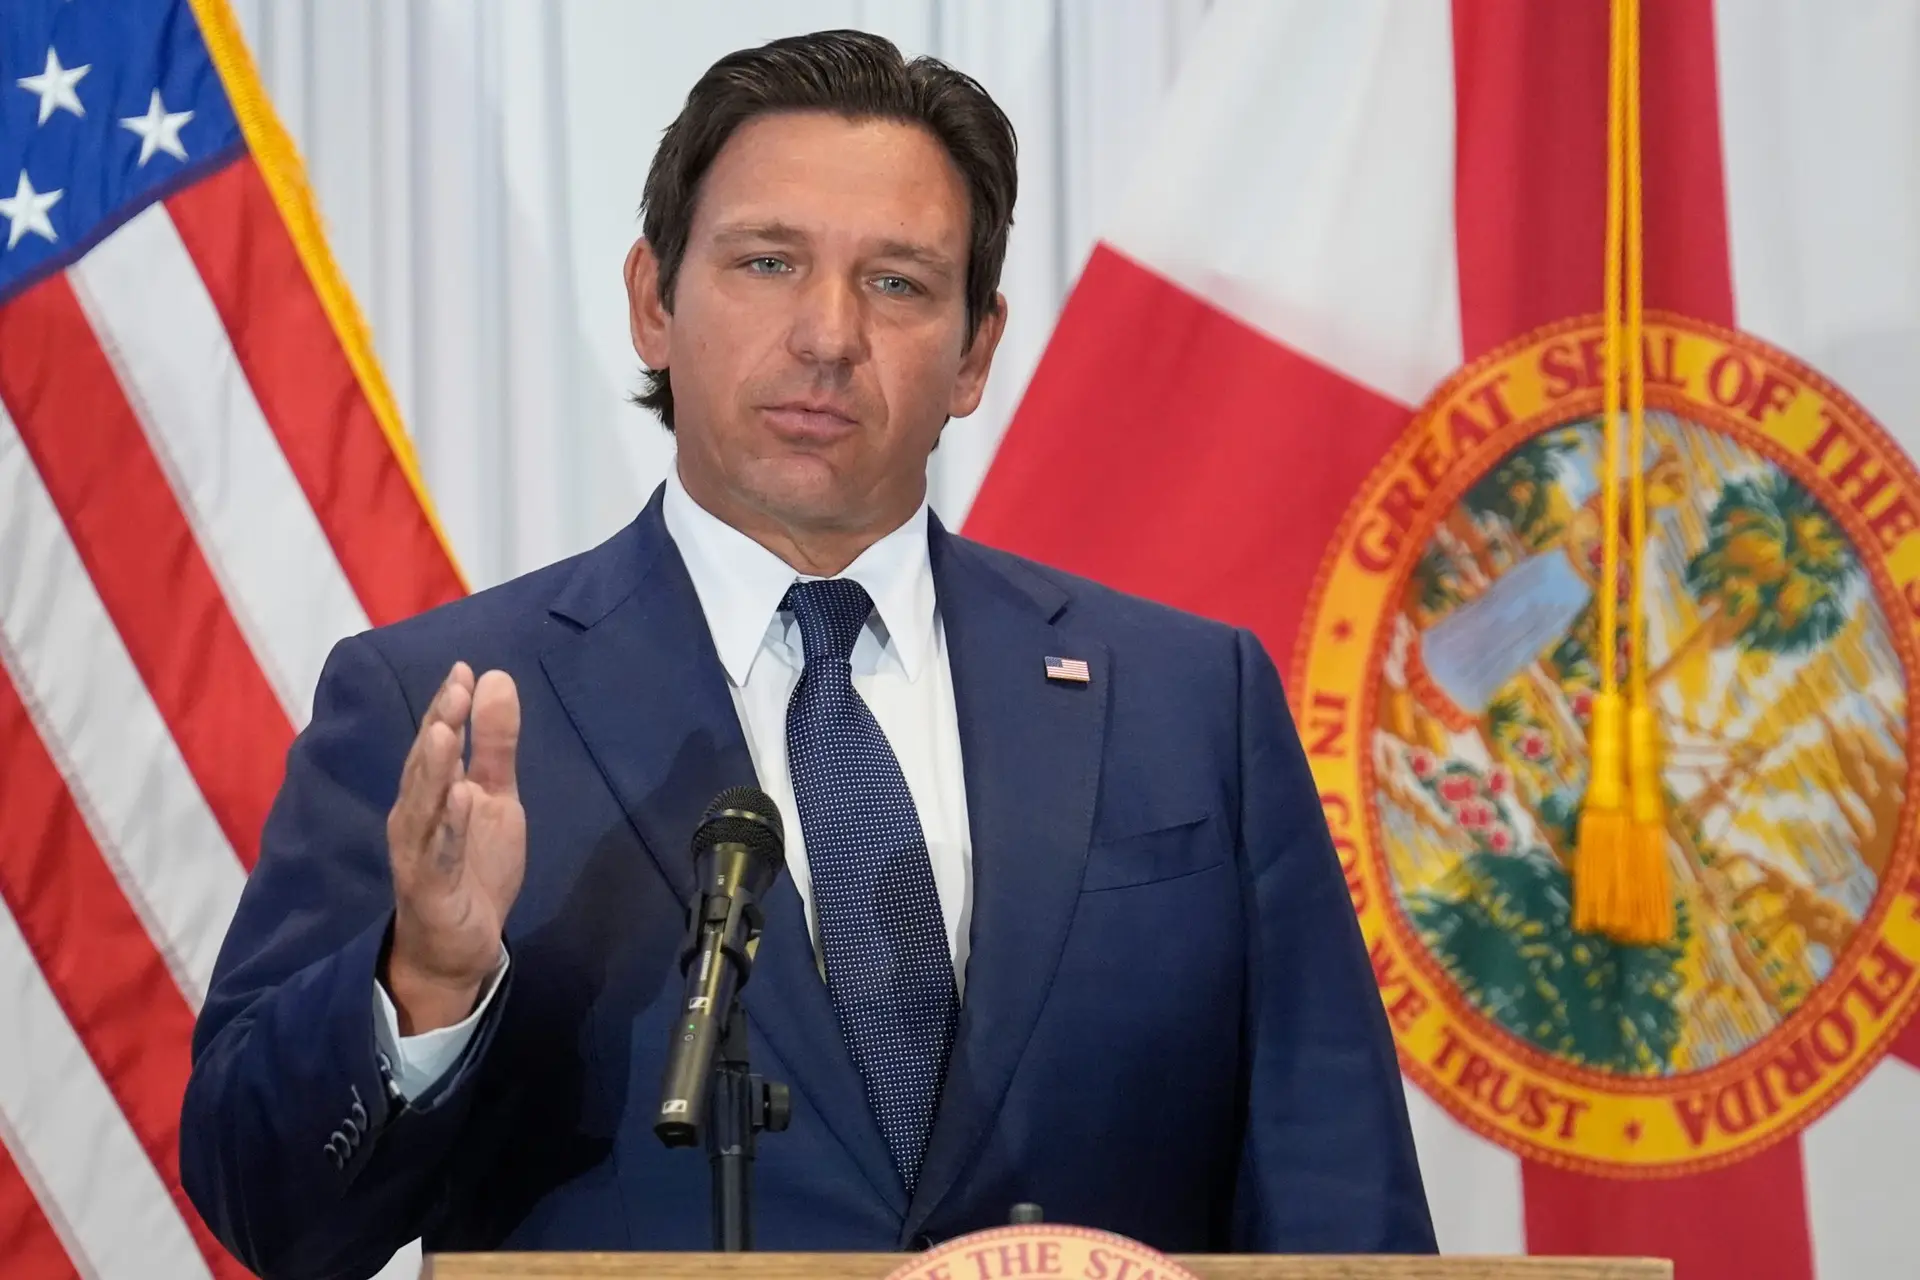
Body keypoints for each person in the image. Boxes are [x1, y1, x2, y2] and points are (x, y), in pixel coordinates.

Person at [180, 29, 1435, 1278]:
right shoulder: (441, 707)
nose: (829, 333)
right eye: (767, 262)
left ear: (975, 350)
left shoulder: (1190, 701)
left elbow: (1343, 1208)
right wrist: (425, 981)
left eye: (898, 282)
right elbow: (266, 1207)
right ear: (653, 302)